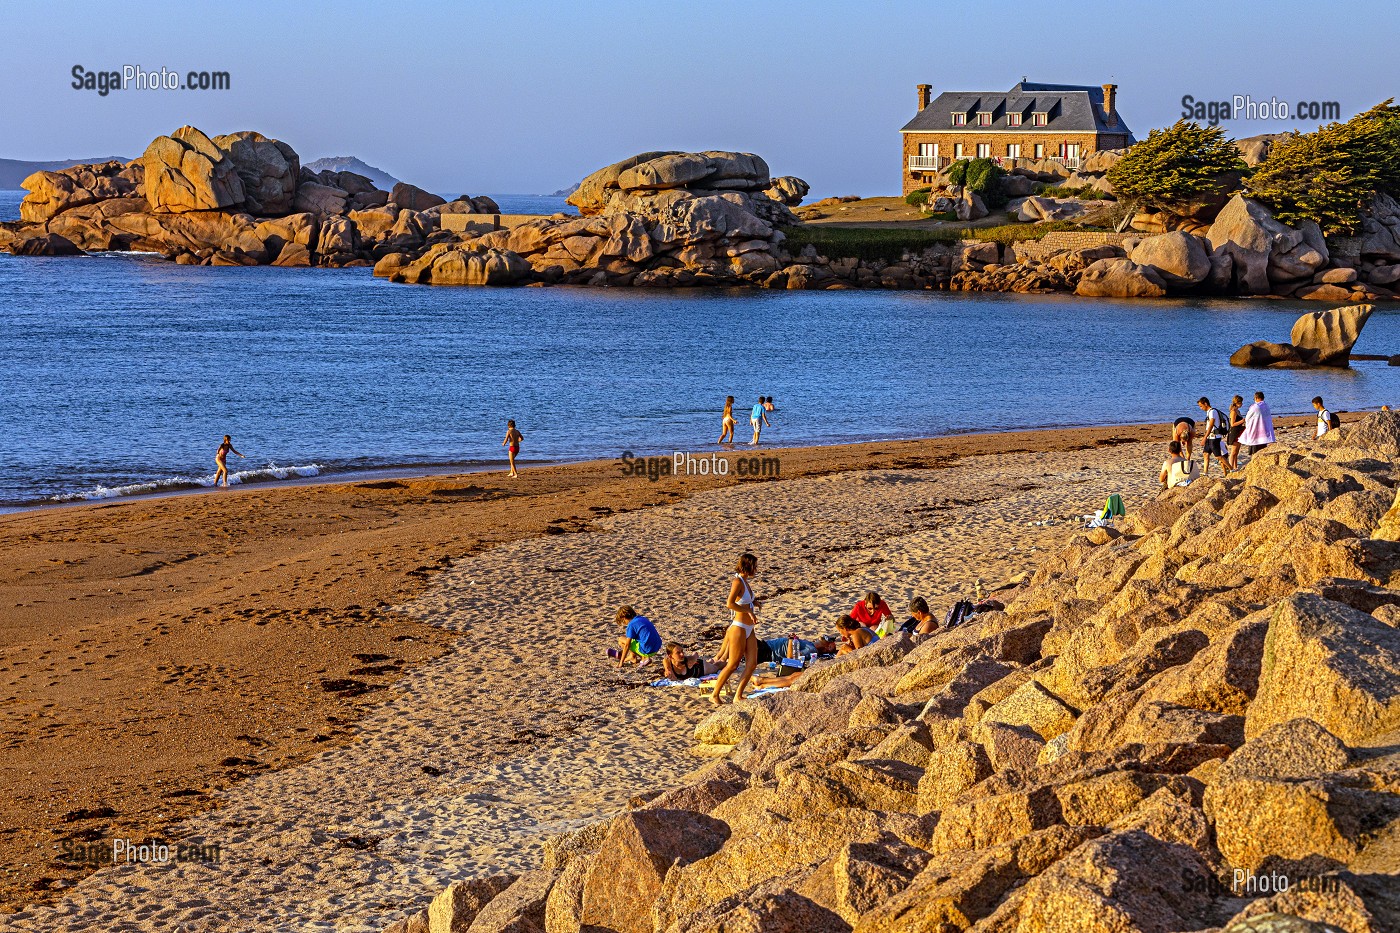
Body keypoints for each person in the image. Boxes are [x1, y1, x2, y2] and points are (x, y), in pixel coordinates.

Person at [711, 553, 761, 705]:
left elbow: (745, 601)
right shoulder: (737, 582)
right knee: (733, 664)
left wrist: (754, 603)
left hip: (749, 628)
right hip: (738, 627)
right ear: (748, 565)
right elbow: (730, 604)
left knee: (752, 664)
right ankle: (714, 694)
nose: (756, 569)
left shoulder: (745, 582)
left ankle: (738, 695)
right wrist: (748, 611)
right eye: (755, 566)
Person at [1197, 397, 1228, 477]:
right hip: (1210, 437)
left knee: (1218, 456)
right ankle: (1205, 473)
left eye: (1201, 406)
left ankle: (1231, 468)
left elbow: (1211, 425)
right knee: (1205, 454)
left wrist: (1204, 437)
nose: (1201, 408)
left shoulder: (1212, 412)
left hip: (1214, 437)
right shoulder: (1209, 412)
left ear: (1205, 404)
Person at [1239, 391, 1276, 456]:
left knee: (1255, 452)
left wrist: (1247, 425)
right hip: (1264, 432)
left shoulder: (1255, 407)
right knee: (1262, 451)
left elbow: (1248, 418)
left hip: (1255, 432)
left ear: (1256, 398)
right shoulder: (1266, 406)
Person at [1227, 395, 1246, 472]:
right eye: (1241, 402)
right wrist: (1242, 421)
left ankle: (1235, 467)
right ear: (1238, 402)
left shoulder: (1238, 411)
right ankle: (1231, 467)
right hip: (1234, 432)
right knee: (1233, 451)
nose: (1242, 404)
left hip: (1239, 431)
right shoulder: (1233, 412)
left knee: (1237, 451)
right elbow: (1232, 424)